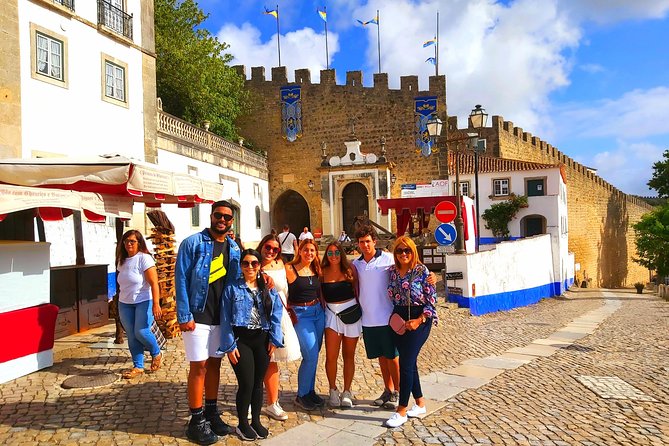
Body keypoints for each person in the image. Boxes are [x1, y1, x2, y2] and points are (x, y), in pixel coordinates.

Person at [176, 200, 240, 445]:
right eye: (218, 215)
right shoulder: (192, 244)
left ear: (232, 220)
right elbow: (180, 278)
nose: (222, 220)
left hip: (220, 317)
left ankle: (211, 412)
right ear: (211, 216)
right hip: (198, 315)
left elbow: (235, 283)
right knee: (199, 367)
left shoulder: (234, 248)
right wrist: (184, 316)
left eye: (227, 217)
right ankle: (195, 420)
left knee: (215, 365)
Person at [218, 249, 284, 441]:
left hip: (261, 339)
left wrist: (274, 338)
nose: (250, 267)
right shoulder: (232, 288)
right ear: (241, 266)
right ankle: (242, 424)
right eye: (246, 263)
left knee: (257, 383)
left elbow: (276, 313)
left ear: (259, 266)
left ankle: (255, 420)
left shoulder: (267, 286)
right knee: (246, 383)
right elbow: (225, 317)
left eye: (254, 263)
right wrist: (229, 346)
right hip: (242, 340)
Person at [384, 236, 437, 428]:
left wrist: (419, 320)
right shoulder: (391, 271)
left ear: (413, 252)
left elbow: (432, 302)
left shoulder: (422, 271)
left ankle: (402, 410)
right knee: (410, 362)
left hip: (420, 320)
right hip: (398, 320)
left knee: (405, 363)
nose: (404, 254)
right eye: (400, 251)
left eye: (407, 250)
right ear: (395, 253)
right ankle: (420, 403)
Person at [351, 225, 400, 409]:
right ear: (358, 244)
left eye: (368, 241)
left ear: (374, 241)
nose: (365, 245)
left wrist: (431, 278)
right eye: (361, 242)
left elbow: (410, 268)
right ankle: (387, 390)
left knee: (393, 357)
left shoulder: (388, 260)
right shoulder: (356, 264)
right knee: (381, 357)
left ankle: (398, 392)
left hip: (387, 317)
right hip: (368, 320)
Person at [256, 234, 301, 421]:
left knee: (272, 360)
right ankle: (253, 402)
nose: (271, 252)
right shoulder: (253, 265)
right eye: (268, 247)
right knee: (258, 362)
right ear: (261, 246)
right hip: (259, 318)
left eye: (275, 249)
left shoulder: (282, 265)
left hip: (280, 316)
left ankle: (272, 403)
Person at [115, 229, 163, 379]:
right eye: (126, 241)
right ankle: (138, 366)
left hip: (143, 300)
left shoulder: (144, 259)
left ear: (139, 243)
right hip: (125, 302)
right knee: (131, 334)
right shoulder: (121, 260)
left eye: (132, 241)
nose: (129, 244)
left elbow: (154, 283)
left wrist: (156, 303)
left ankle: (156, 353)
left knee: (141, 331)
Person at [285, 238, 325, 411]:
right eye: (306, 250)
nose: (309, 253)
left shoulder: (316, 268)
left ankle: (310, 391)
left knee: (315, 354)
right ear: (299, 251)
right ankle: (301, 395)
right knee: (309, 355)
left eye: (312, 250)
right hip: (301, 315)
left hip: (318, 312)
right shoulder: (290, 269)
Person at [321, 241, 360, 408]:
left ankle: (347, 391)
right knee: (331, 356)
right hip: (332, 315)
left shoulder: (351, 270)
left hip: (351, 314)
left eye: (337, 253)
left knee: (349, 355)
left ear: (341, 254)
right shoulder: (322, 272)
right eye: (330, 253)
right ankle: (332, 389)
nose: (334, 256)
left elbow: (358, 290)